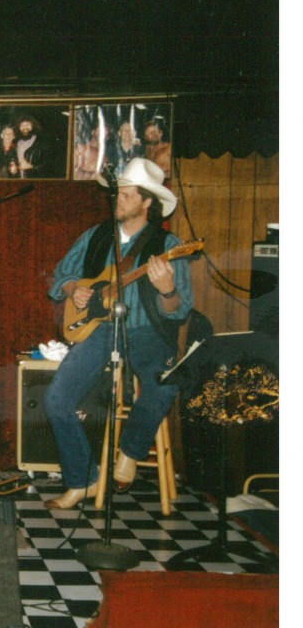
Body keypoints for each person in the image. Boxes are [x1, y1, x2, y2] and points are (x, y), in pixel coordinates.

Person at [43, 158, 193, 509]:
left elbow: (180, 310)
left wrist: (167, 290)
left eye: (126, 194)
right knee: (55, 400)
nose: (117, 200)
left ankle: (130, 451)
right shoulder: (95, 236)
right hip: (100, 330)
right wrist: (72, 291)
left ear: (147, 203)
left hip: (147, 332)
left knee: (165, 383)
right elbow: (58, 279)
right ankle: (83, 480)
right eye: (117, 193)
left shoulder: (169, 244)